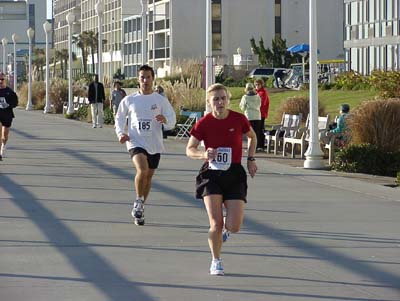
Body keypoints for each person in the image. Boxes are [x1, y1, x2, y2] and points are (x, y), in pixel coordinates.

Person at [186, 83, 258, 276]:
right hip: (211, 175)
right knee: (215, 224)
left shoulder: (238, 119)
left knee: (233, 227)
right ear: (209, 103)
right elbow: (189, 149)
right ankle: (216, 260)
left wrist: (250, 159)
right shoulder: (204, 122)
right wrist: (203, 154)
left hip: (234, 173)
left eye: (223, 98)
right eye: (215, 99)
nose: (220, 102)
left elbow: (252, 136)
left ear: (228, 99)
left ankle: (226, 226)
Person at [115, 65, 176, 226]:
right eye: (142, 77)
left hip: (154, 143)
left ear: (153, 78)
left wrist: (166, 121)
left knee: (148, 177)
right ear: (138, 79)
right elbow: (119, 118)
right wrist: (121, 133)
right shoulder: (129, 100)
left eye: (148, 77)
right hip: (135, 141)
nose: (145, 80)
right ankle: (138, 200)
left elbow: (172, 119)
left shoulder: (160, 100)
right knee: (142, 170)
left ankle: (141, 207)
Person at [0, 72, 18, 161]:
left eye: (2, 79)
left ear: (5, 80)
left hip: (7, 115)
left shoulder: (9, 92)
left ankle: (3, 146)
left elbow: (15, 103)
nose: (0, 81)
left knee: (4, 136)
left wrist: (8, 105)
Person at [239, 83, 261, 151]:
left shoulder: (245, 97)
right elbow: (259, 105)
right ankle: (255, 148)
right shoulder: (258, 96)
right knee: (255, 134)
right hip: (257, 116)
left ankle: (249, 148)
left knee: (249, 134)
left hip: (249, 117)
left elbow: (242, 107)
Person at [254, 78, 270, 151]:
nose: (257, 86)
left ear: (261, 85)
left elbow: (262, 103)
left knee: (260, 129)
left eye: (258, 84)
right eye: (256, 85)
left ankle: (261, 145)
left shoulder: (263, 93)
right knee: (258, 129)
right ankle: (259, 145)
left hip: (261, 113)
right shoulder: (257, 92)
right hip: (257, 113)